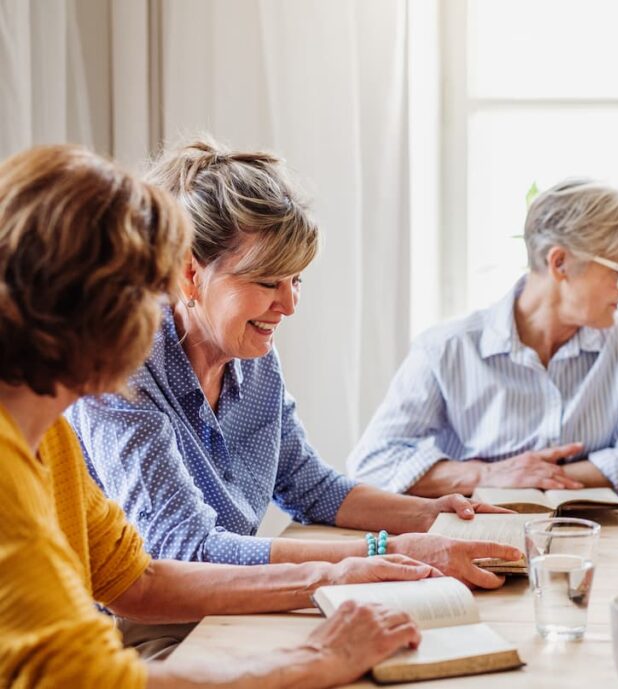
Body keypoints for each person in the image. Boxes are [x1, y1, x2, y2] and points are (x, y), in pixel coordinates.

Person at [0, 144, 439, 688]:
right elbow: (88, 678)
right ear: (84, 302)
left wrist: (338, 572)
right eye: (147, 285)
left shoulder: (52, 439)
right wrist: (313, 660)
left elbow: (137, 580)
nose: (158, 308)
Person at [68, 138, 520, 592]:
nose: (288, 304)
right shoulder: (123, 370)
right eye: (268, 282)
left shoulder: (253, 356)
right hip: (127, 629)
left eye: (296, 279)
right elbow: (184, 549)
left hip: (226, 604)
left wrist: (432, 515)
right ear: (189, 273)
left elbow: (307, 484)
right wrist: (386, 551)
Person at [348, 179, 618, 497]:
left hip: (598, 536)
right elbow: (373, 464)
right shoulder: (446, 349)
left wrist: (533, 476)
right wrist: (488, 474)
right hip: (478, 536)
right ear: (560, 263)